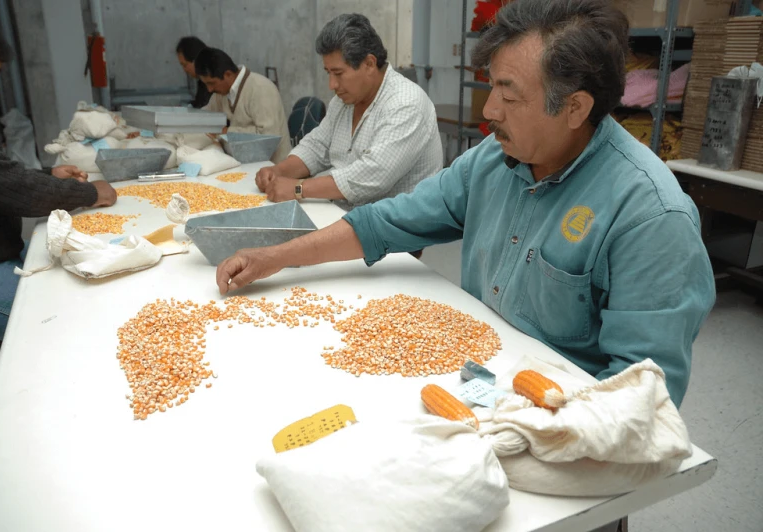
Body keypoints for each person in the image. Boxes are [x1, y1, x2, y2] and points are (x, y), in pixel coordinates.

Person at [214, 0, 716, 409]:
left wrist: (522, 425)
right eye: (490, 86)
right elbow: (388, 221)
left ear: (575, 107)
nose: (490, 111)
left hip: (560, 420)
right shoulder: (494, 161)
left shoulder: (649, 216)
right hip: (480, 382)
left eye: (508, 94)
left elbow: (642, 400)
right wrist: (275, 257)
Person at [0, 11, 116, 341]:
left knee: (74, 271)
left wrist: (49, 174)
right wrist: (89, 194)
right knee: (63, 320)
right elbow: (8, 187)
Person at [254, 14, 443, 210]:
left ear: (369, 64)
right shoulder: (344, 100)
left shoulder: (406, 103)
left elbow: (372, 176)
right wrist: (279, 171)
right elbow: (317, 146)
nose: (332, 85)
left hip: (394, 224)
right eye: (328, 73)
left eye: (338, 73)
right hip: (345, 211)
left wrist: (299, 188)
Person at [195, 47, 291, 163]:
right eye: (206, 84)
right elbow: (205, 116)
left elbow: (269, 136)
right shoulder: (221, 93)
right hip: (245, 162)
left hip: (274, 167)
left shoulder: (261, 88)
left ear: (228, 74)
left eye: (211, 83)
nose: (209, 89)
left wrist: (226, 131)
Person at [175, 36, 211, 108]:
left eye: (185, 65)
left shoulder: (212, 80)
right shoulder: (202, 81)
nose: (184, 70)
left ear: (195, 61)